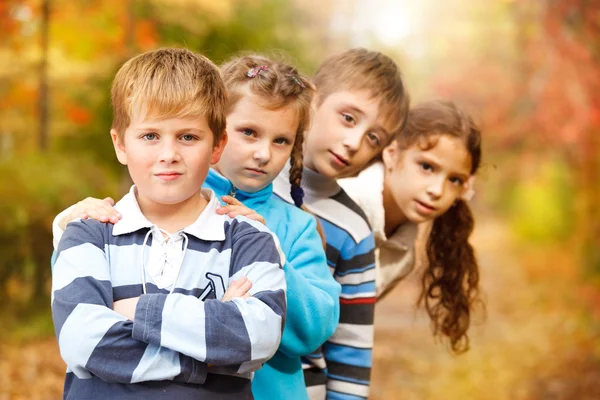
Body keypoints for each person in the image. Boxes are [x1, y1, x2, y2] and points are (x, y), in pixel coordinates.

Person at [51, 53, 340, 400]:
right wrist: (215, 353)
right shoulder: (100, 225)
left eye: (281, 141)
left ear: (213, 143)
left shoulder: (262, 235)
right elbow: (83, 336)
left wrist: (138, 309)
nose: (264, 153)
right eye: (249, 132)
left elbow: (263, 336)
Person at [273, 48, 409, 400]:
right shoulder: (247, 179)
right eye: (349, 118)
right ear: (314, 98)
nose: (354, 143)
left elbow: (351, 348)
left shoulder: (354, 230)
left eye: (373, 138)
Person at [339, 100, 482, 353]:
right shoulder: (339, 209)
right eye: (427, 167)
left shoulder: (404, 257)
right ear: (392, 153)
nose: (437, 191)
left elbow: (347, 330)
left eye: (454, 180)